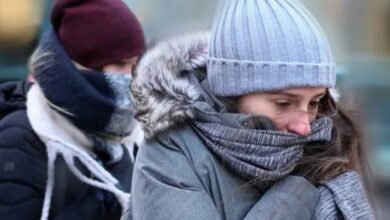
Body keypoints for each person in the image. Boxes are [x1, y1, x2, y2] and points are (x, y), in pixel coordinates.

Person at [129, 0, 375, 219]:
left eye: (313, 102)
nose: (304, 127)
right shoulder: (169, 151)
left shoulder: (325, 145)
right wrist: (298, 189)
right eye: (283, 104)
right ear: (232, 93)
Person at [0, 0, 145, 219]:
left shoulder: (130, 139)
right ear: (85, 66)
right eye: (121, 64)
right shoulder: (20, 140)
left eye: (136, 64)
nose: (131, 76)